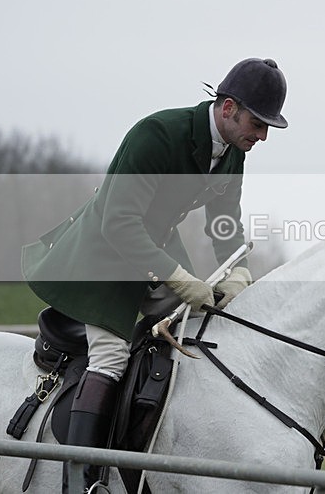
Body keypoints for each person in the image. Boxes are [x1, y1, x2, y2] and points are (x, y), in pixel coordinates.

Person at [21, 57, 288, 491]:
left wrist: (238, 268)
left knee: (199, 328)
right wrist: (182, 278)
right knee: (112, 357)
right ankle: (82, 479)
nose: (261, 136)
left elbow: (224, 221)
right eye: (257, 124)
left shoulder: (233, 153)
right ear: (227, 108)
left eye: (266, 129)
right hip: (101, 259)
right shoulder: (157, 134)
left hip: (152, 253)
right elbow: (119, 222)